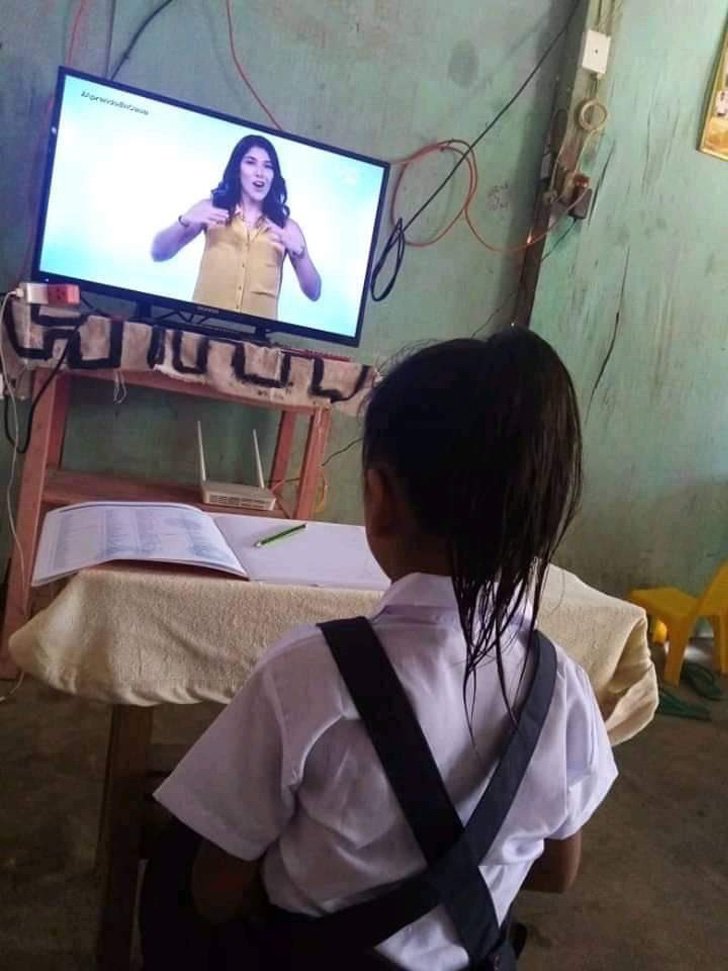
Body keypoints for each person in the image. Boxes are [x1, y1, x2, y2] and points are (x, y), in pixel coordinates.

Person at [140, 328, 617, 970]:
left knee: (176, 855)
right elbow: (558, 870)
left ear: (379, 499)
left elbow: (213, 889)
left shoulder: (306, 672)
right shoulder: (562, 687)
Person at [151, 134, 321, 319]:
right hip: (204, 332)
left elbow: (314, 293)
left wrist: (301, 255)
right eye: (251, 162)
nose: (260, 173)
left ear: (274, 175)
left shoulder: (286, 227)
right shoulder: (210, 209)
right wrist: (184, 220)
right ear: (237, 169)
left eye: (268, 166)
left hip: (255, 343)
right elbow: (158, 253)